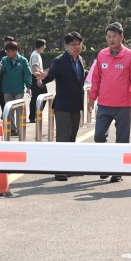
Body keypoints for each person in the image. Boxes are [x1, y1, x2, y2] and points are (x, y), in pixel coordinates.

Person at [87, 21, 131, 183]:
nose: (111, 39)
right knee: (99, 137)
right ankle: (105, 166)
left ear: (121, 37)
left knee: (122, 140)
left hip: (123, 105)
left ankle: (118, 171)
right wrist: (92, 97)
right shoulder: (101, 55)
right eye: (108, 36)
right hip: (104, 104)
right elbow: (96, 78)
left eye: (114, 36)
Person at [40, 31, 87, 181]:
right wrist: (44, 77)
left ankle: (69, 167)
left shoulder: (80, 60)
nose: (77, 47)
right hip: (63, 105)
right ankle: (59, 170)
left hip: (76, 105)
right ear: (66, 46)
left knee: (72, 137)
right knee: (63, 137)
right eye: (73, 44)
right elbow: (51, 75)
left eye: (79, 44)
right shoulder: (59, 61)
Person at [0, 39, 33, 136]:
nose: (7, 53)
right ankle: (12, 129)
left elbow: (27, 74)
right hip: (7, 89)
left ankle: (19, 128)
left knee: (19, 110)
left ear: (15, 51)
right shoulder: (4, 60)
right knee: (9, 110)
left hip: (19, 90)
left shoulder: (23, 60)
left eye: (9, 51)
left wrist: (28, 86)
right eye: (6, 51)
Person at [28, 37, 48, 125]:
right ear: (42, 46)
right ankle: (33, 116)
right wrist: (39, 79)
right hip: (36, 78)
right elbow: (35, 68)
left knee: (39, 96)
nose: (45, 47)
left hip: (37, 77)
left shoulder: (36, 54)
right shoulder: (35, 55)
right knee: (38, 96)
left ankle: (35, 114)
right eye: (45, 45)